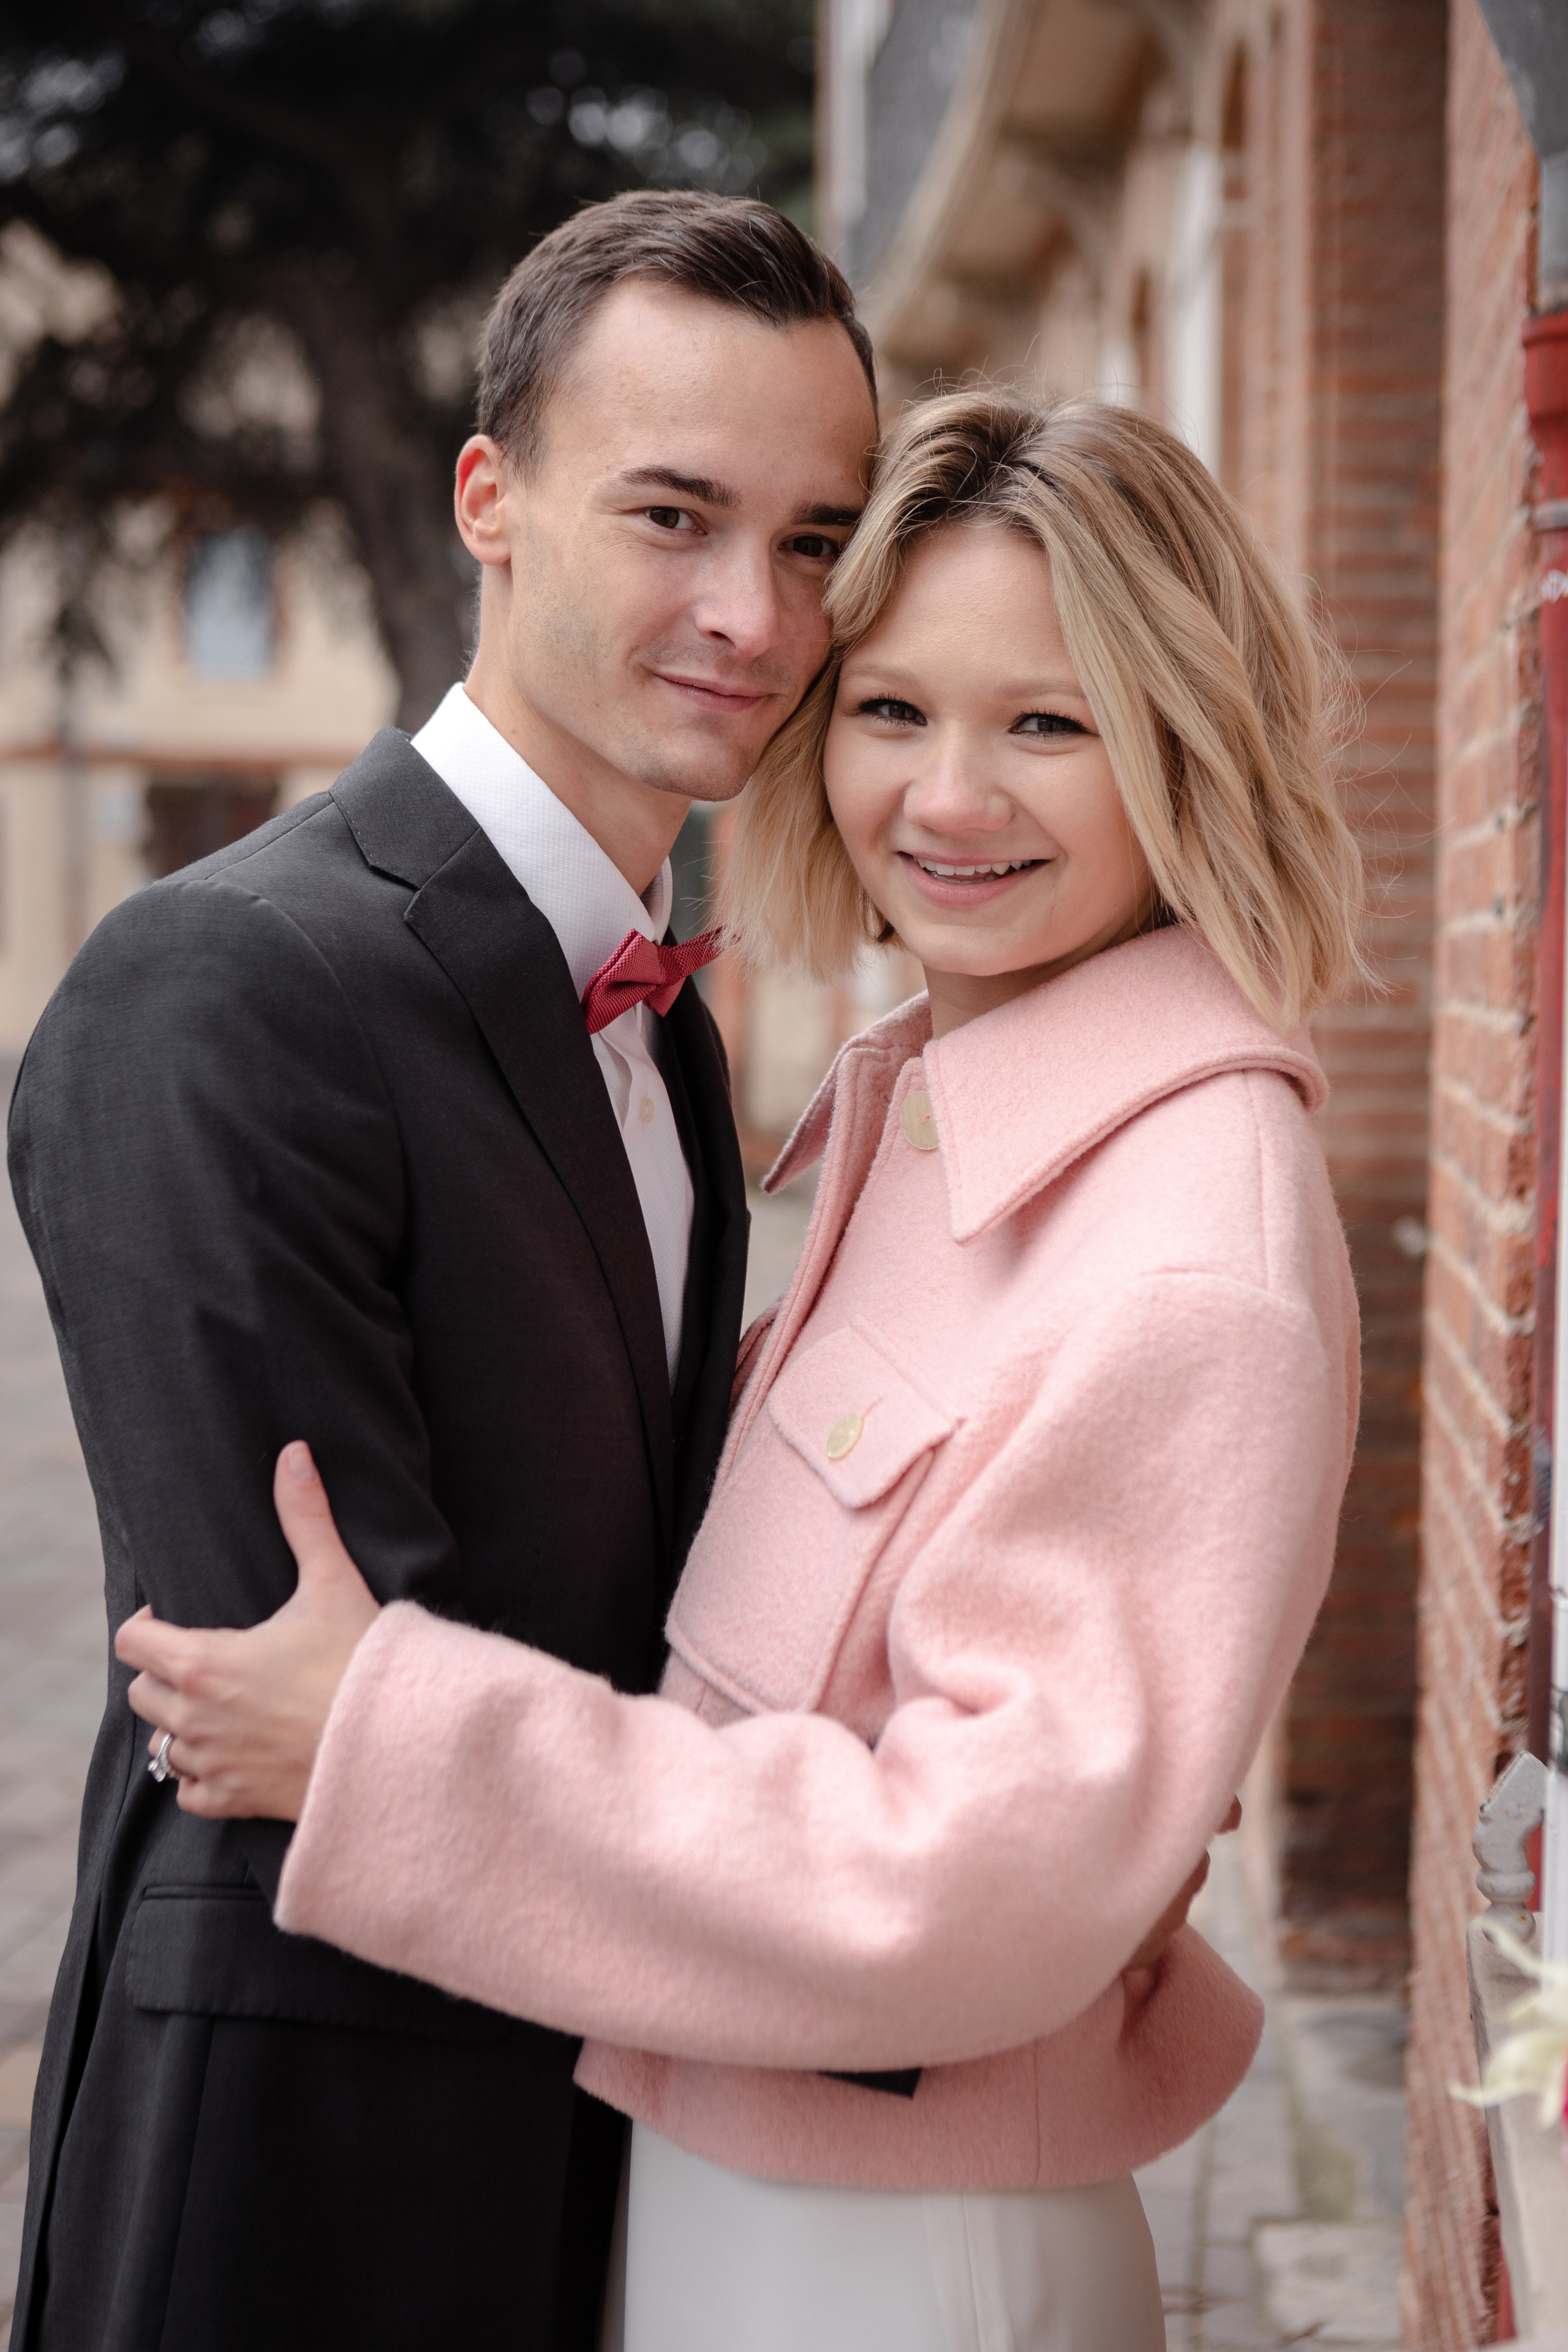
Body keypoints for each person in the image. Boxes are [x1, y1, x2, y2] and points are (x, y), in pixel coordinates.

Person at [120, 388, 1365, 2351]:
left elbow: (976, 1884)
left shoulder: (1189, 1224)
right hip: (743, 2178)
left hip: (900, 2244)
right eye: (892, 712)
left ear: (1186, 746)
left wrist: (392, 1737)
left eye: (1048, 723)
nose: (947, 801)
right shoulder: (940, 1118)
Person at [5, 190, 879, 2352]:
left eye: (812, 541)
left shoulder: (656, 1012)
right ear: (488, 498)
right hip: (313, 2176)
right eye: (672, 514)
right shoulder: (221, 985)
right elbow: (315, 1700)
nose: (752, 616)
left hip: (611, 2147)